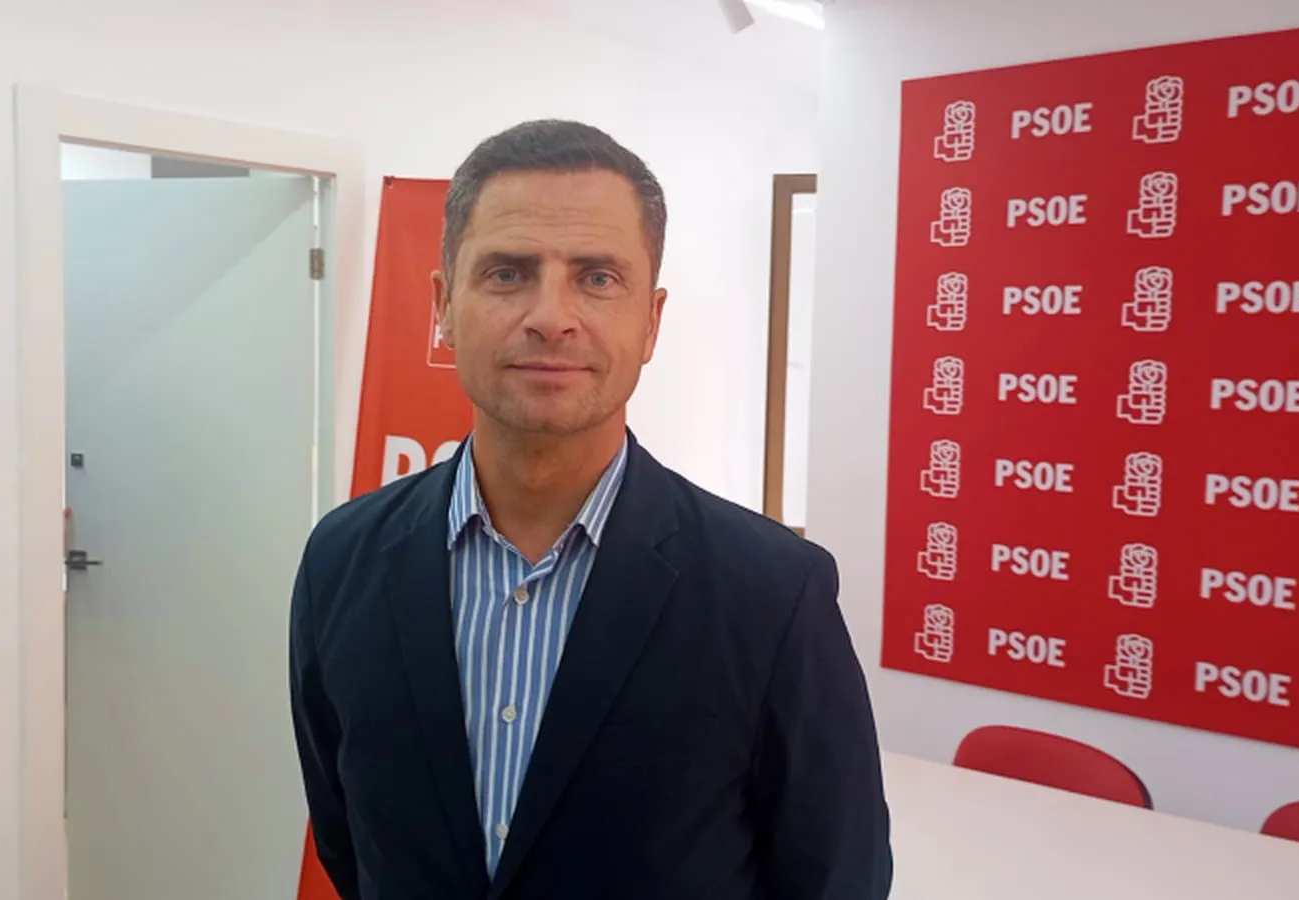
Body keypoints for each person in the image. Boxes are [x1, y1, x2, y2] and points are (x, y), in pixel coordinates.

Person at [290, 119, 892, 899]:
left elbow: (836, 879)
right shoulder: (341, 561)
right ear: (443, 306)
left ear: (651, 321)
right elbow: (349, 840)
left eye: (598, 277)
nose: (551, 315)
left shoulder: (773, 594)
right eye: (507, 273)